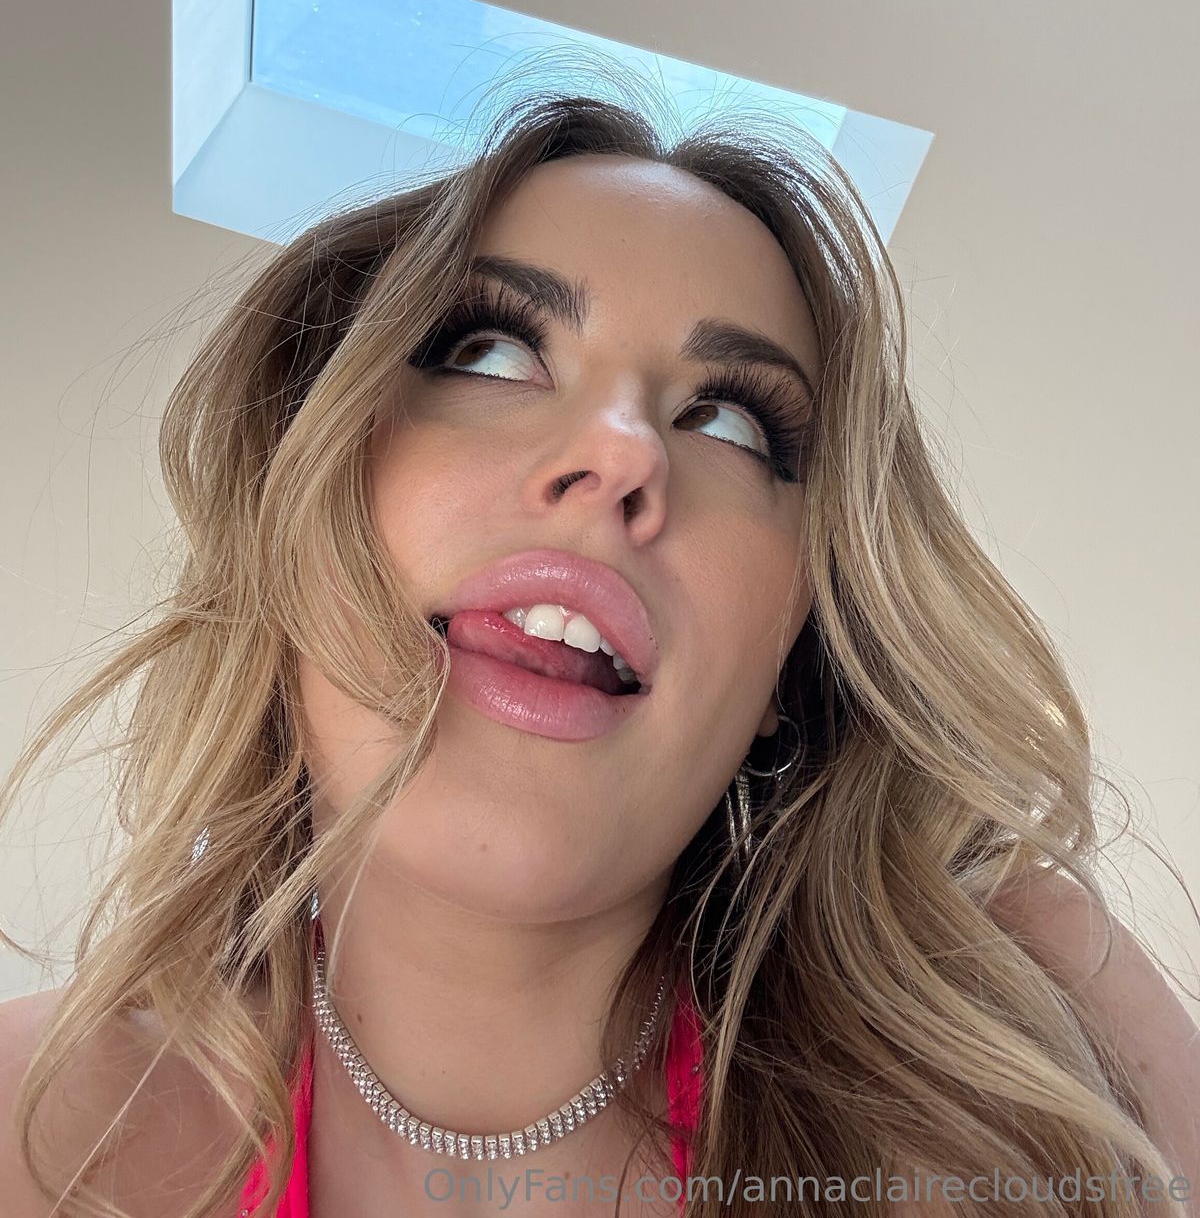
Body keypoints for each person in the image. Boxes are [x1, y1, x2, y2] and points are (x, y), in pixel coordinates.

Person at [1, 77, 1197, 1218]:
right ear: (298, 507)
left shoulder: (1037, 1060)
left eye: (731, 421)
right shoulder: (28, 1128)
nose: (624, 452)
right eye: (490, 349)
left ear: (795, 662)